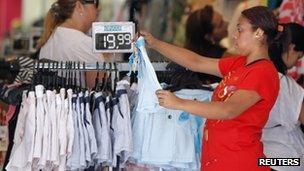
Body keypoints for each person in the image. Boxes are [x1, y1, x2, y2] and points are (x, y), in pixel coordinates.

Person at [140, 6, 289, 171]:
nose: (234, 34)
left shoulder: (263, 72)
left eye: (240, 30)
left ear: (259, 33)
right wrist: (155, 44)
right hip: (218, 160)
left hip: (239, 163)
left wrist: (179, 103)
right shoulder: (240, 63)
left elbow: (228, 110)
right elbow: (196, 62)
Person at [262, 23, 304, 171]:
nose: (295, 64)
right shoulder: (283, 84)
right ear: (291, 47)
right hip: (285, 160)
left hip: (263, 158)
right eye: (299, 57)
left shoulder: (257, 73)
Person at [37, 0, 104, 88]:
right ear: (79, 6)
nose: (99, 9)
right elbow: (101, 91)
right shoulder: (84, 44)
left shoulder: (48, 41)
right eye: (96, 3)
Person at [167, 5, 228, 90]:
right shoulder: (220, 56)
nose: (227, 23)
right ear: (208, 36)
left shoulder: (190, 52)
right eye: (220, 24)